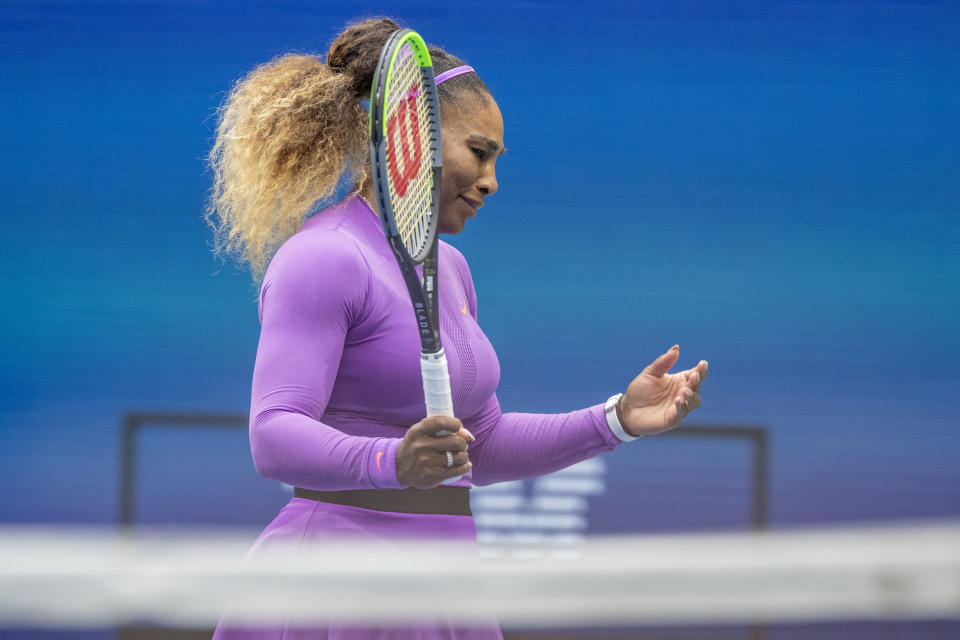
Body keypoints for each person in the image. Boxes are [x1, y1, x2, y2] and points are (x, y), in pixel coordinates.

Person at [205, 17, 708, 640]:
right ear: (411, 136)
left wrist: (616, 420)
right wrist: (393, 461)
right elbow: (272, 434)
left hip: (445, 579)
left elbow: (481, 442)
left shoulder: (454, 269)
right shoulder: (325, 258)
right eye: (480, 152)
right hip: (334, 581)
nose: (493, 180)